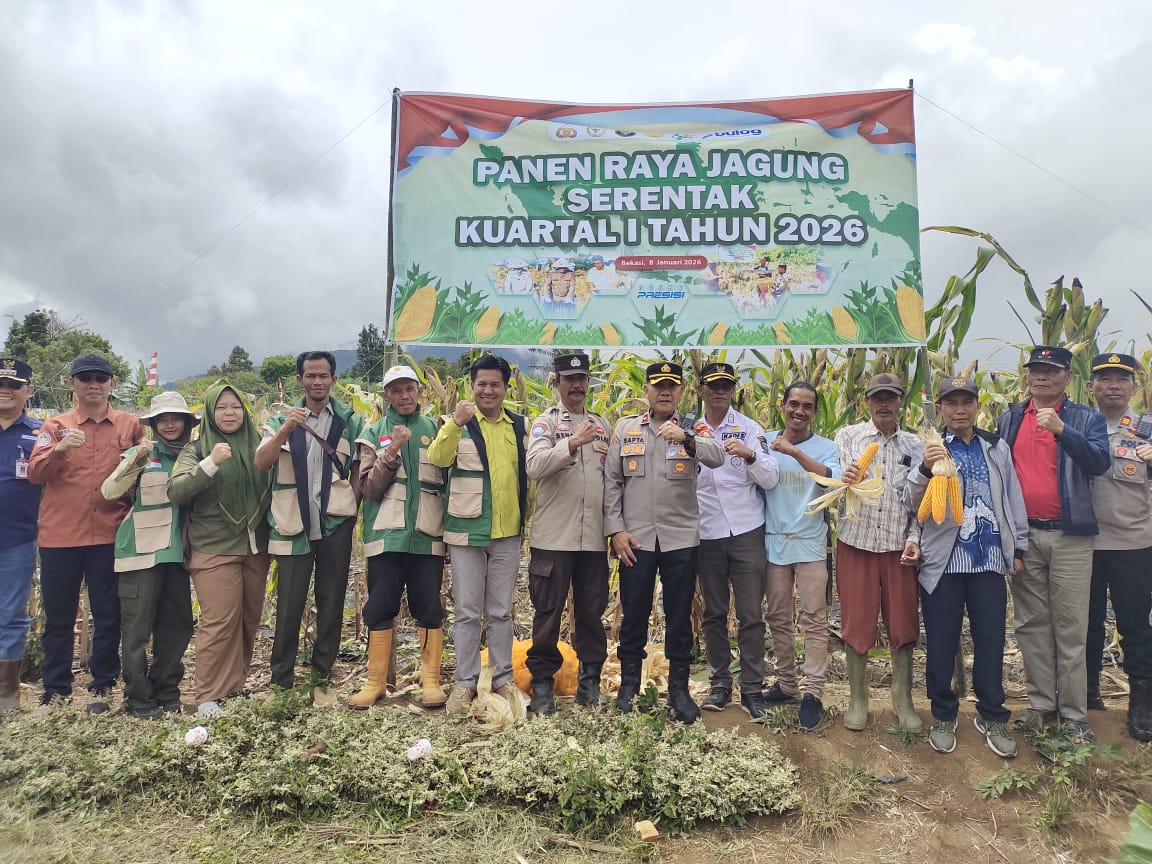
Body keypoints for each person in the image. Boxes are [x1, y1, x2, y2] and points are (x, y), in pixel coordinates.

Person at [902, 376, 1027, 757]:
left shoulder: (996, 446)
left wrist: (1018, 545)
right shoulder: (931, 448)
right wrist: (925, 469)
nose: (959, 409)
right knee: (940, 642)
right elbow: (911, 502)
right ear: (939, 408)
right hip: (943, 563)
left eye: (966, 402)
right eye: (951, 402)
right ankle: (943, 713)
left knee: (990, 642)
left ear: (977, 406)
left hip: (988, 561)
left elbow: (1012, 497)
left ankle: (992, 714)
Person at [996, 345, 1109, 743]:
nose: (1042, 376)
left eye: (1051, 370)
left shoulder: (1085, 417)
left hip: (1071, 536)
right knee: (1031, 624)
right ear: (1027, 375)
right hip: (1025, 536)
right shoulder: (1010, 417)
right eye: (1036, 370)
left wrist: (1063, 431)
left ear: (1068, 377)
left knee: (1071, 625)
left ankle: (1075, 714)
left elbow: (1099, 462)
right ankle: (1042, 705)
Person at [604, 361, 724, 723]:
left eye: (672, 386)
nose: (665, 392)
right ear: (647, 390)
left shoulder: (694, 428)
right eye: (658, 386)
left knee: (678, 617)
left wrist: (686, 438)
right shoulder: (627, 430)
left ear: (681, 391)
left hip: (680, 539)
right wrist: (615, 530)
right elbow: (612, 482)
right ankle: (628, 688)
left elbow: (717, 457)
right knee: (634, 614)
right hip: (635, 539)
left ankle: (679, 691)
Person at [27, 353, 144, 713]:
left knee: (109, 614)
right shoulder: (54, 427)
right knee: (60, 617)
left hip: (111, 535)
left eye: (100, 377)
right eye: (85, 378)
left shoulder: (130, 426)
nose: (93, 383)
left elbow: (142, 474)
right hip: (60, 537)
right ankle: (56, 688)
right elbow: (34, 474)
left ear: (111, 383)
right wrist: (59, 450)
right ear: (72, 384)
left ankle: (102, 685)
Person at [255, 351, 363, 705]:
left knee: (331, 602)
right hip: (292, 523)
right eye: (311, 375)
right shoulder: (278, 420)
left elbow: (360, 469)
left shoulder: (349, 420)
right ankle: (280, 683)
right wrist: (286, 429)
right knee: (289, 604)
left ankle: (321, 677)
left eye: (324, 375)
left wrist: (353, 508)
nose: (317, 382)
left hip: (335, 523)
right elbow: (261, 462)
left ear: (333, 379)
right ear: (300, 380)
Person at [428, 354, 528, 716]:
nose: (488, 390)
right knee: (468, 612)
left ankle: (502, 678)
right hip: (466, 531)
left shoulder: (517, 426)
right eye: (481, 384)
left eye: (495, 384)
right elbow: (438, 458)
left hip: (507, 534)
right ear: (472, 386)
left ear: (505, 388)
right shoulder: (455, 423)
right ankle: (465, 682)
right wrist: (455, 422)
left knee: (501, 612)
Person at [168, 382, 272, 720]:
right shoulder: (196, 450)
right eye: (222, 408)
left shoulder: (259, 445)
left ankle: (236, 688)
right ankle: (209, 694)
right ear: (210, 413)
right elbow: (177, 491)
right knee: (219, 621)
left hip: (255, 546)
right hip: (213, 547)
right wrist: (211, 463)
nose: (230, 413)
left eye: (236, 407)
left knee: (247, 619)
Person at [349, 364, 447, 710]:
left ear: (420, 391)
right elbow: (370, 489)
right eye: (396, 390)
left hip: (428, 535)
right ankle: (374, 683)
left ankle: (430, 682)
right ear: (386, 396)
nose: (404, 396)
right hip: (386, 536)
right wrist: (391, 452)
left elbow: (446, 483)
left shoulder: (437, 430)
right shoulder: (373, 433)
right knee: (380, 607)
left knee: (429, 607)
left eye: (410, 389)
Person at [834, 372, 923, 732]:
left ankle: (903, 699)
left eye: (891, 397)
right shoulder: (847, 437)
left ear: (902, 401)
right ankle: (858, 699)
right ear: (866, 402)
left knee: (903, 622)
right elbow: (834, 484)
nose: (883, 404)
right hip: (856, 542)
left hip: (898, 546)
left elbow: (920, 503)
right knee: (857, 620)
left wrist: (915, 537)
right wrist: (845, 478)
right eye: (876, 398)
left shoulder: (915, 446)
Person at [101, 390, 198, 719]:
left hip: (177, 556)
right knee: (138, 630)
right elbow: (110, 491)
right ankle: (139, 697)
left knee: (179, 625)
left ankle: (166, 689)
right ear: (153, 424)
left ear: (187, 423)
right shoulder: (142, 453)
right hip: (139, 554)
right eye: (162, 419)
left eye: (176, 418)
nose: (170, 424)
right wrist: (134, 460)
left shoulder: (194, 455)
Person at [524, 352, 612, 714]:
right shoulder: (545, 423)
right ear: (556, 382)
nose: (577, 385)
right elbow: (534, 466)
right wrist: (572, 443)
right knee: (548, 612)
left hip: (593, 538)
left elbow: (614, 480)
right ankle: (542, 684)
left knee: (591, 612)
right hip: (553, 538)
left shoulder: (604, 426)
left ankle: (590, 682)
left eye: (582, 378)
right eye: (569, 378)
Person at [694, 362, 779, 719]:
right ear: (701, 389)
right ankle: (719, 685)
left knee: (749, 615)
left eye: (726, 386)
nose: (719, 391)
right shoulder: (688, 428)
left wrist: (751, 455)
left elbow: (771, 477)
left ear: (733, 390)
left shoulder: (749, 429)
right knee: (713, 614)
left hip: (745, 531)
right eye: (713, 385)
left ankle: (752, 690)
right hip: (705, 532)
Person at [762, 382, 841, 731]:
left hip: (809, 543)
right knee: (777, 615)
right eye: (793, 403)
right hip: (774, 543)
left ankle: (814, 692)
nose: (799, 411)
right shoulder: (763, 440)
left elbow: (831, 482)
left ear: (814, 412)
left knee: (814, 618)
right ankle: (786, 683)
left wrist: (792, 452)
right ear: (782, 405)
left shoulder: (826, 448)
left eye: (807, 406)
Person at [1084, 352, 1152, 741]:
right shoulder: (1079, 424)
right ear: (1091, 385)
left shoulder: (1147, 428)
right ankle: (1090, 697)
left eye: (1120, 379)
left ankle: (1141, 704)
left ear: (1133, 387)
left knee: (1135, 626)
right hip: (1085, 546)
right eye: (1104, 379)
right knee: (1087, 625)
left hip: (1134, 545)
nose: (1112, 386)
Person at [0, 359, 42, 713]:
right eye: (0, 382)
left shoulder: (40, 433)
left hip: (18, 538)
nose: (5, 389)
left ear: (28, 390)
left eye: (14, 383)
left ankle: (6, 698)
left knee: (12, 615)